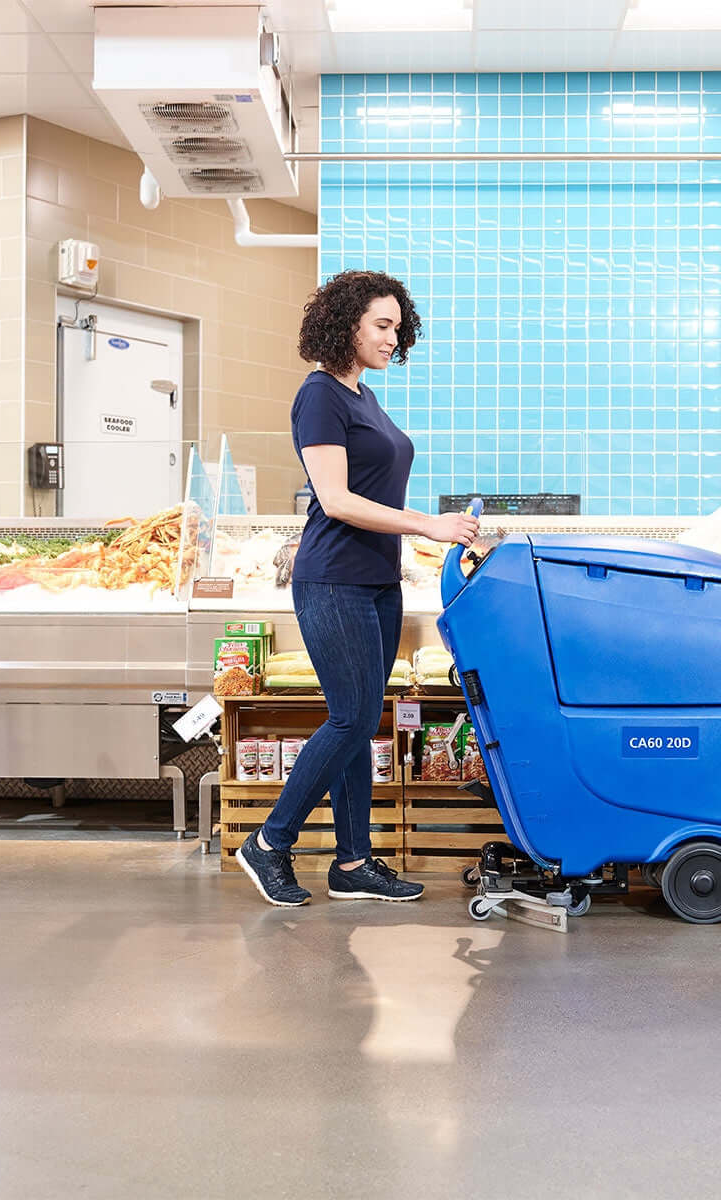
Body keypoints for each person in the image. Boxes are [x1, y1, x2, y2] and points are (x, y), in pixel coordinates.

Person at [237, 270, 478, 907]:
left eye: (398, 328)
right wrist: (427, 522)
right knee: (348, 719)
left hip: (376, 582)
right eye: (381, 324)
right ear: (347, 322)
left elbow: (375, 492)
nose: (392, 338)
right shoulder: (321, 394)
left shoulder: (362, 395)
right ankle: (268, 844)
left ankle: (352, 862)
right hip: (335, 579)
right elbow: (339, 501)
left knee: (362, 719)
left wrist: (432, 535)